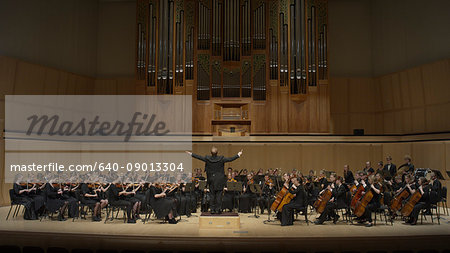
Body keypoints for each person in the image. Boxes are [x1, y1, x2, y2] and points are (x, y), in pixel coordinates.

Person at [186, 147, 243, 214]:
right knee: (219, 195)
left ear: (211, 153)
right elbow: (230, 159)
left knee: (212, 195)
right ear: (217, 152)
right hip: (219, 180)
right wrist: (238, 154)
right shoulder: (221, 159)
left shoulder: (207, 159)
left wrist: (191, 154)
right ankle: (218, 209)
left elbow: (199, 157)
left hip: (211, 179)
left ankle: (212, 209)